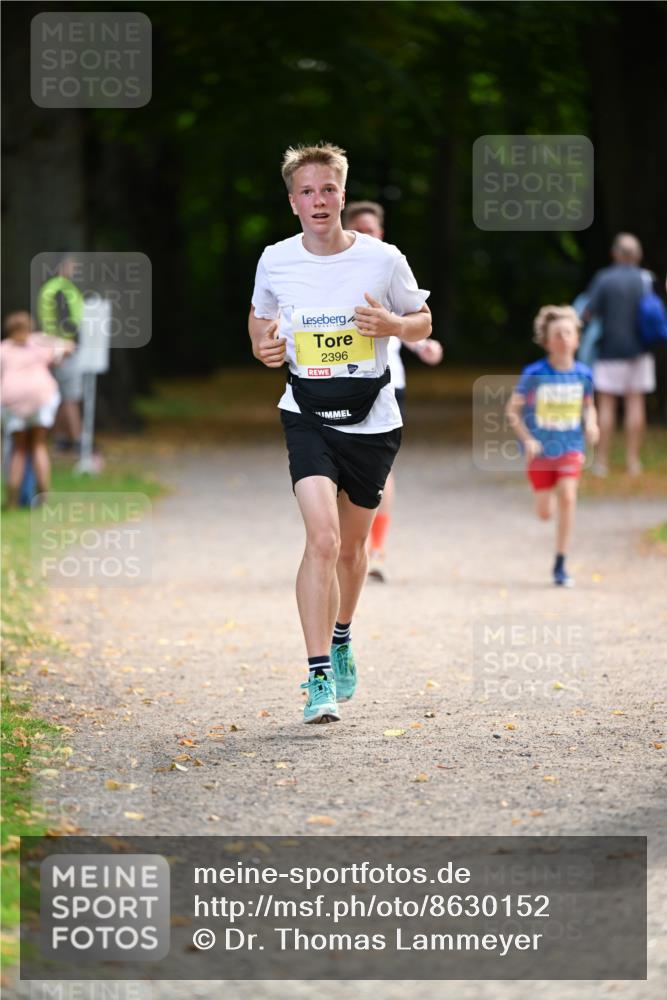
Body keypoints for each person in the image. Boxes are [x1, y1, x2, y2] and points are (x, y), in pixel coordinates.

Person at [249, 143, 432, 723]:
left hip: (373, 417)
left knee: (353, 549)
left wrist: (395, 324)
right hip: (305, 412)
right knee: (322, 540)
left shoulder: (382, 259)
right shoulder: (276, 260)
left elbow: (424, 319)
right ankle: (318, 675)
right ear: (292, 203)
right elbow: (260, 316)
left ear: (343, 195)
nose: (319, 200)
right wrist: (262, 345)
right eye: (307, 191)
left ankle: (344, 635)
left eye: (328, 189)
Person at [342, 200, 443, 582]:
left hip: (387, 384)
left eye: (372, 230)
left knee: (381, 471)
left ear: (380, 233)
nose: (366, 236)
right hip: (337, 383)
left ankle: (377, 549)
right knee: (338, 474)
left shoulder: (389, 268)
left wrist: (424, 346)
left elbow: (408, 320)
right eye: (359, 229)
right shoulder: (331, 272)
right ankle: (348, 547)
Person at [506, 305, 599, 588]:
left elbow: (589, 406)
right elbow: (513, 411)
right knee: (545, 512)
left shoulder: (584, 374)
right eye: (556, 334)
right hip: (541, 454)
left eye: (568, 333)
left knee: (568, 497)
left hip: (570, 447)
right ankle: (548, 501)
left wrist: (592, 424)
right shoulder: (534, 373)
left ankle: (561, 561)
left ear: (577, 340)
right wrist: (528, 440)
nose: (563, 338)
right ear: (547, 341)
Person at [583, 233, 655, 476]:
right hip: (640, 351)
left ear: (615, 253)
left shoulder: (604, 279)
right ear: (638, 255)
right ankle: (633, 461)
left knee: (607, 406)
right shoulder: (646, 279)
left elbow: (587, 313)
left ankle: (601, 462)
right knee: (636, 404)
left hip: (609, 351)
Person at [1, 311, 74, 507]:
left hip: (12, 401)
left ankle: (12, 501)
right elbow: (67, 347)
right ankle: (43, 498)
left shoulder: (4, 348)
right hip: (41, 397)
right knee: (38, 446)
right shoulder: (38, 343)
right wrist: (57, 355)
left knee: (19, 449)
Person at [36, 254, 84, 451]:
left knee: (61, 395)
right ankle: (79, 441)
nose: (75, 268)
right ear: (63, 266)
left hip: (54, 347)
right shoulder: (61, 289)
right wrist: (66, 346)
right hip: (65, 349)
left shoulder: (49, 288)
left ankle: (61, 439)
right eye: (73, 264)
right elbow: (66, 322)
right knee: (70, 396)